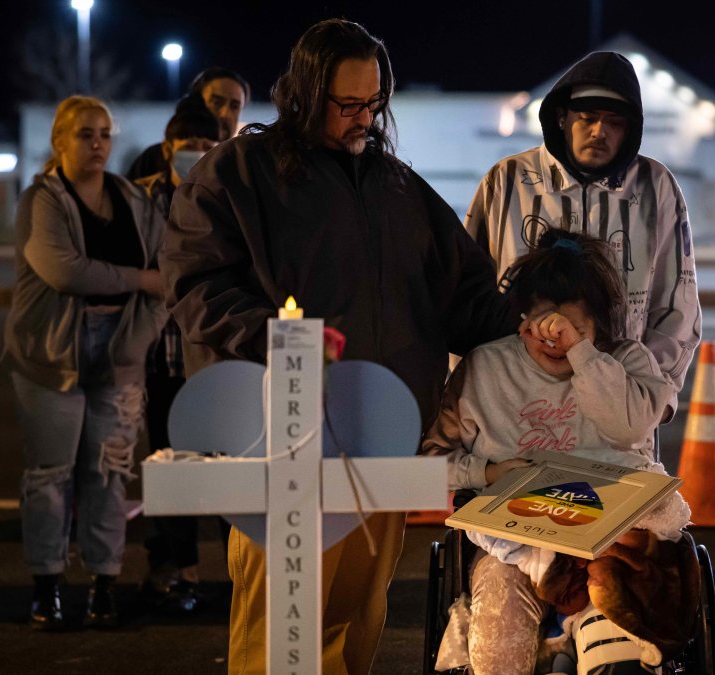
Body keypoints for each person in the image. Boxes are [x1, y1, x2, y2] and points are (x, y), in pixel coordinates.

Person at [161, 18, 516, 675]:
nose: (364, 119)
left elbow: (464, 296)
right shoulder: (239, 172)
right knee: (280, 634)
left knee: (355, 619)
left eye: (374, 103)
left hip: (383, 440)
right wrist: (280, 339)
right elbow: (195, 286)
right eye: (347, 104)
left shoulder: (398, 187)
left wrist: (540, 321)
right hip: (281, 442)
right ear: (303, 93)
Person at [421, 229, 691, 675]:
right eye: (543, 330)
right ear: (521, 320)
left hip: (608, 543)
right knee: (500, 615)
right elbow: (430, 462)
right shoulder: (485, 368)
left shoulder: (628, 361)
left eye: (574, 331)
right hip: (513, 545)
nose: (556, 343)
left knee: (619, 601)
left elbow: (625, 428)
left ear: (597, 326)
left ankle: (597, 645)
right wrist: (488, 473)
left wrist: (584, 355)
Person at [464, 51, 701, 426]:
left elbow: (677, 304)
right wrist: (470, 388)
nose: (599, 132)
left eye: (614, 122)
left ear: (630, 129)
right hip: (515, 403)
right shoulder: (507, 181)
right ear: (562, 117)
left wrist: (650, 395)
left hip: (619, 399)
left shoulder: (655, 187)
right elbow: (468, 293)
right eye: (587, 118)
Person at [2, 95, 168, 631]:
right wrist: (138, 279)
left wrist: (140, 339)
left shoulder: (133, 200)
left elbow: (166, 274)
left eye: (104, 134)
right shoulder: (41, 200)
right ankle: (47, 586)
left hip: (119, 350)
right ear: (59, 141)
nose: (97, 144)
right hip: (52, 354)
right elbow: (65, 271)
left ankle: (103, 584)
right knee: (50, 475)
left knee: (108, 473)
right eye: (84, 134)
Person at [133, 93, 222, 611]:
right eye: (189, 142)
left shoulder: (226, 194)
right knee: (174, 466)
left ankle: (241, 574)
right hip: (162, 357)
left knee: (229, 468)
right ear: (168, 146)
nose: (198, 151)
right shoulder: (143, 199)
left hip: (214, 360)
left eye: (207, 143)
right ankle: (182, 572)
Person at [126, 66, 250, 181]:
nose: (225, 114)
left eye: (234, 106)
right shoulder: (154, 160)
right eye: (217, 103)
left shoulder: (243, 167)